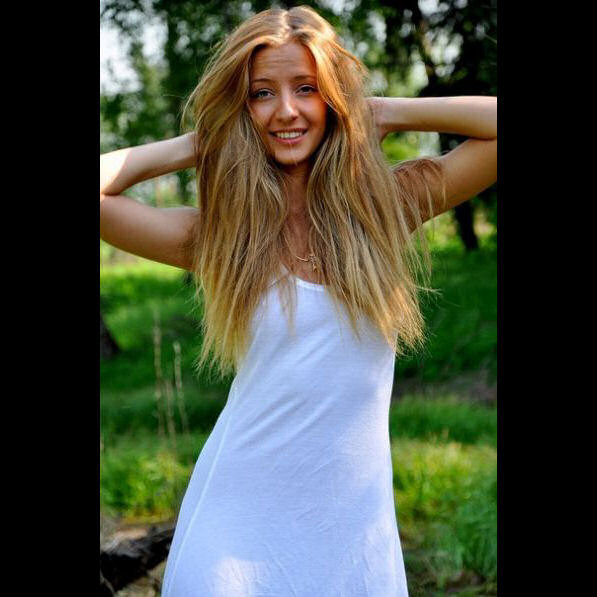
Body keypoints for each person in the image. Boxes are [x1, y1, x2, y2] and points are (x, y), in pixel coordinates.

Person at [100, 5, 496, 596]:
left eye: (307, 88)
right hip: (234, 544)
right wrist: (198, 143)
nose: (286, 110)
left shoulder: (385, 209)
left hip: (355, 540)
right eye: (261, 94)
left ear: (335, 98)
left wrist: (383, 111)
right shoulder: (223, 237)